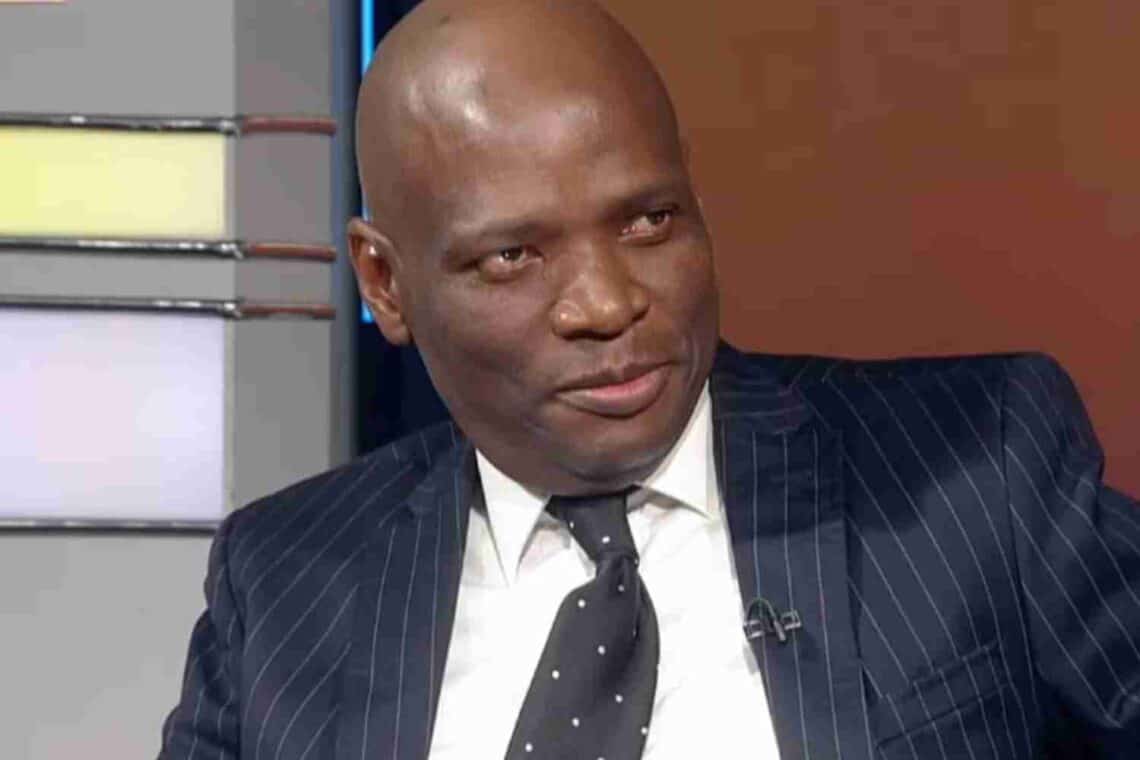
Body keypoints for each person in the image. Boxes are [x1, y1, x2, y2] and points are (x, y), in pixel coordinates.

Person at [160, 1, 1140, 758]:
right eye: (513, 256)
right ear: (385, 281)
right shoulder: (284, 585)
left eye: (647, 221)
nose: (606, 302)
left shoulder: (978, 471)